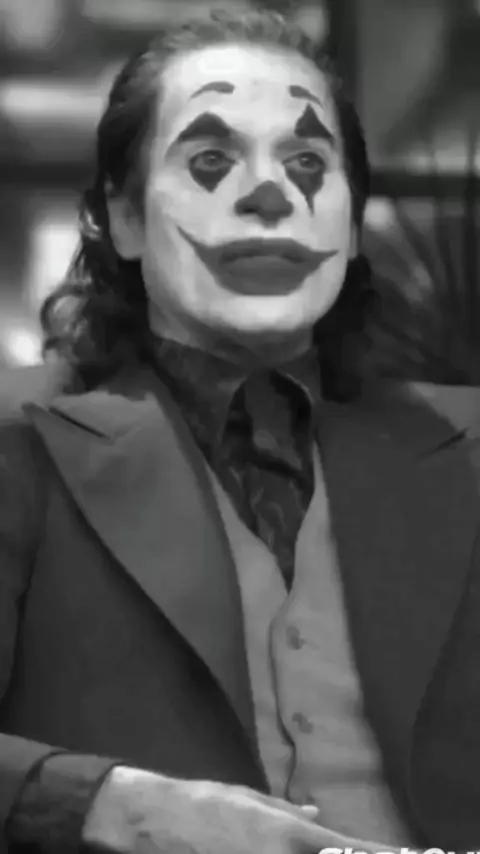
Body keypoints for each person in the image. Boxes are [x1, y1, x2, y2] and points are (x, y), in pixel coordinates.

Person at [1, 9, 479, 854]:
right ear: (124, 217)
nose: (270, 194)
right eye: (211, 161)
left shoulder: (465, 450)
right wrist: (112, 805)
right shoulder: (19, 441)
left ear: (348, 225)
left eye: (308, 164)